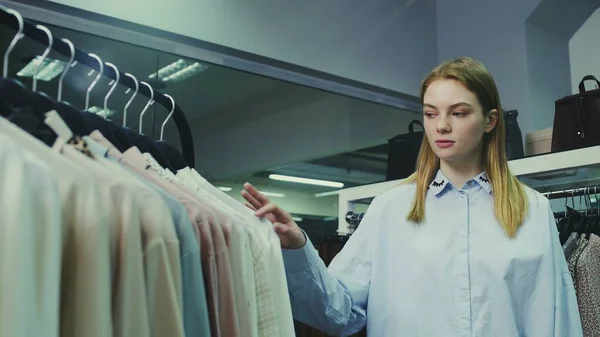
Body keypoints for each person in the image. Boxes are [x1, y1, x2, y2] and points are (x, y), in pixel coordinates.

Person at [241, 57, 583, 336]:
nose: (441, 126)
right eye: (431, 113)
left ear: (491, 120)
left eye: (458, 113)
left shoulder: (531, 210)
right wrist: (298, 247)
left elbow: (558, 321)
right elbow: (339, 313)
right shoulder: (390, 210)